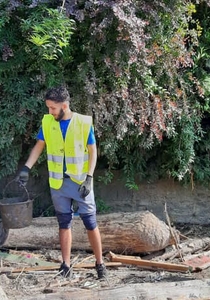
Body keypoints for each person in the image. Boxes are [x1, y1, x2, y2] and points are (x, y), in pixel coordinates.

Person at [16, 86, 107, 279]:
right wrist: (26, 168)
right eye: (48, 108)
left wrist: (89, 178)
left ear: (64, 106)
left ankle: (100, 264)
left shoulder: (83, 123)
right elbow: (39, 146)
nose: (50, 112)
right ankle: (65, 265)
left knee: (91, 223)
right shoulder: (48, 122)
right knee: (64, 223)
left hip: (81, 183)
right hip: (58, 183)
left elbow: (93, 152)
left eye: (53, 108)